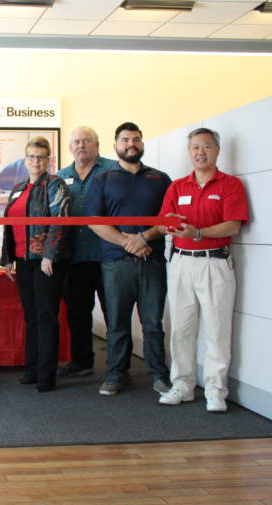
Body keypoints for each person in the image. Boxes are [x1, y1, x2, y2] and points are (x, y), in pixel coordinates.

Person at [157, 128, 249, 413]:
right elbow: (162, 223)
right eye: (195, 148)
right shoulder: (177, 187)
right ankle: (182, 386)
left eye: (206, 147)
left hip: (215, 263)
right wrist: (168, 225)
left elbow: (233, 225)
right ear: (189, 152)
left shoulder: (230, 185)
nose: (200, 152)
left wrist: (198, 232)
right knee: (181, 330)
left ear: (218, 151)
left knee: (217, 329)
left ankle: (215, 390)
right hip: (181, 262)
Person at [85, 122, 172, 397]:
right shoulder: (102, 179)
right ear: (116, 146)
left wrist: (144, 238)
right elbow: (94, 222)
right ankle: (116, 375)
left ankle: (160, 376)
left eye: (136, 139)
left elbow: (168, 220)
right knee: (118, 324)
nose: (131, 143)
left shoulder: (160, 178)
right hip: (115, 264)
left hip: (152, 262)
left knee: (153, 325)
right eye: (125, 140)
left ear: (142, 144)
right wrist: (129, 242)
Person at [1, 136, 71, 392]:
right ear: (25, 159)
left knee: (46, 317)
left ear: (49, 160)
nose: (36, 161)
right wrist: (8, 259)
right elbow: (8, 225)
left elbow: (59, 222)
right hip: (22, 261)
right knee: (31, 316)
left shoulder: (55, 184)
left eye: (41, 157)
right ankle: (31, 370)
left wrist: (49, 255)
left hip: (46, 263)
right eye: (31, 156)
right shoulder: (18, 188)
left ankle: (46, 375)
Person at [56, 126, 116, 378]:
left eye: (87, 141)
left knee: (114, 313)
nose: (82, 145)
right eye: (77, 142)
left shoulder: (114, 170)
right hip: (75, 256)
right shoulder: (61, 176)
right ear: (70, 147)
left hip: (109, 254)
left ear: (97, 144)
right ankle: (81, 362)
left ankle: (118, 365)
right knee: (77, 313)